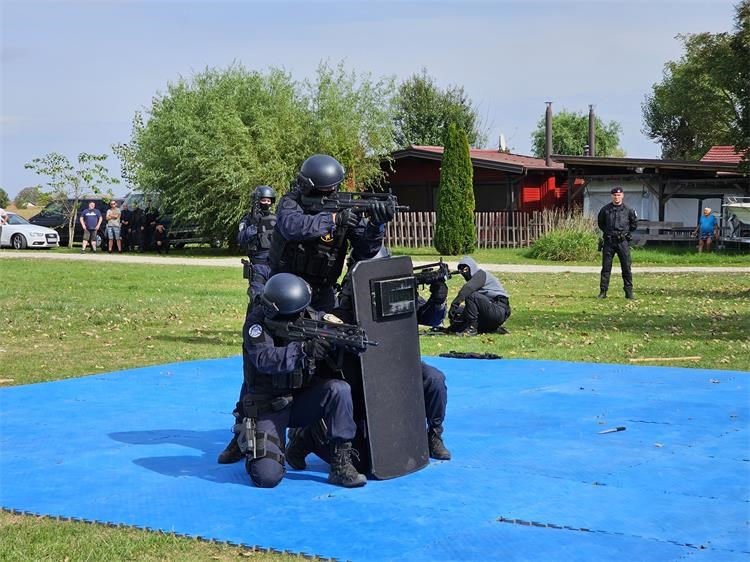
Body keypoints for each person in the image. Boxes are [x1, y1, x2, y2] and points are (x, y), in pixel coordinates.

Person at [286, 246, 452, 466]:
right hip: (360, 371)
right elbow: (331, 326)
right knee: (363, 461)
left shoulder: (396, 291)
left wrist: (437, 301)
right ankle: (306, 438)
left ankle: (434, 434)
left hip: (396, 363)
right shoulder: (349, 298)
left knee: (434, 379)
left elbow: (428, 318)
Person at [238, 273, 367, 489]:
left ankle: (337, 460)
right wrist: (304, 350)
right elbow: (264, 359)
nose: (301, 316)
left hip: (301, 400)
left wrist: (346, 340)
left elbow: (331, 327)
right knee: (267, 477)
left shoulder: (310, 317)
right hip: (268, 406)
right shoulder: (256, 324)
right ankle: (253, 443)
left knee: (338, 389)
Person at [268, 153, 394, 312]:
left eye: (334, 187)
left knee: (332, 325)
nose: (332, 192)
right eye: (326, 189)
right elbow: (292, 227)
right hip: (285, 285)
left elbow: (366, 251)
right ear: (308, 187)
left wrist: (376, 225)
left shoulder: (343, 206)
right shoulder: (291, 202)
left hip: (323, 290)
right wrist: (333, 219)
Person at [445, 256, 511, 336]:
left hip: (499, 310)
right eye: (461, 270)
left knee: (471, 295)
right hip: (491, 311)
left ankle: (472, 328)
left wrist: (454, 305)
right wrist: (451, 328)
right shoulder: (475, 279)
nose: (463, 272)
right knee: (460, 311)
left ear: (472, 267)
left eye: (466, 269)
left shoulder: (480, 274)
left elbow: (467, 289)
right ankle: (491, 328)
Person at [597, 186, 638, 299]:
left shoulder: (629, 210)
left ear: (622, 196)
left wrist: (625, 233)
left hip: (622, 242)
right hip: (609, 241)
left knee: (626, 267)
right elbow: (601, 223)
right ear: (612, 196)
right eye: (615, 195)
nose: (617, 197)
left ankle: (629, 292)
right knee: (606, 268)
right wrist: (608, 232)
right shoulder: (605, 209)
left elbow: (634, 224)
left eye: (619, 195)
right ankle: (603, 292)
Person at [238, 185, 277, 303]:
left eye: (268, 201)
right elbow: (241, 239)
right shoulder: (248, 219)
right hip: (258, 266)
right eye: (263, 200)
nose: (266, 203)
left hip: (274, 265)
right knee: (257, 298)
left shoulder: (276, 219)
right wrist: (254, 226)